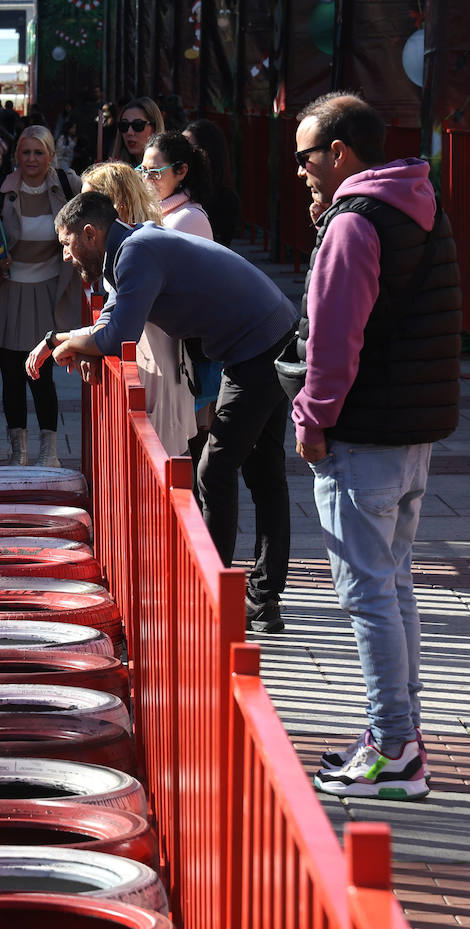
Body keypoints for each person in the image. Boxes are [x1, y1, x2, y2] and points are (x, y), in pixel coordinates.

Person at [286, 92, 460, 800]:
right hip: (410, 430)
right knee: (393, 585)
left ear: (340, 153)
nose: (298, 168)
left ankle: (394, 746)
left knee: (368, 593)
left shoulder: (355, 225)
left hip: (363, 433)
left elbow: (333, 340)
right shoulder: (416, 203)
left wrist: (311, 418)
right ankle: (398, 735)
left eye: (305, 155)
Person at [28, 192, 297, 633]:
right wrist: (63, 338)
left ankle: (212, 598)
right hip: (268, 336)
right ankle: (262, 599)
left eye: (67, 243)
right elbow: (108, 325)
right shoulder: (130, 249)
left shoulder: (135, 253)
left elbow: (117, 337)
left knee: (216, 468)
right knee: (263, 472)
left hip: (257, 347)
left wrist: (73, 344)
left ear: (90, 234)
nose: (65, 255)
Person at [0, 125, 83, 466]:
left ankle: (48, 452)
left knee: (43, 374)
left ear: (50, 155)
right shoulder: (0, 188)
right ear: (16, 155)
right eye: (25, 152)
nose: (31, 159)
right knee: (11, 375)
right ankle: (17, 450)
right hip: (9, 289)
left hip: (51, 291)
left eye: (38, 152)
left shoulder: (69, 185)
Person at [79, 163, 194, 459]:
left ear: (117, 204)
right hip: (146, 362)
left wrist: (71, 342)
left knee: (162, 468)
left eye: (89, 202)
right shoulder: (131, 241)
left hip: (155, 365)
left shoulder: (137, 247)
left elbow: (116, 326)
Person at [139, 130, 220, 460]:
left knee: (190, 454)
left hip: (185, 355)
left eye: (155, 172)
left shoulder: (188, 219)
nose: (146, 178)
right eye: (142, 170)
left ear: (181, 171)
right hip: (167, 352)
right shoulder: (162, 214)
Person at [183, 119, 241, 247]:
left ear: (205, 153)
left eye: (187, 147)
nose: (179, 152)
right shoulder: (174, 186)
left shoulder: (225, 198)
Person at [111, 96, 165, 166]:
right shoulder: (115, 169)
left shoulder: (168, 170)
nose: (129, 132)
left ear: (154, 128)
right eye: (124, 125)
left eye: (138, 125)